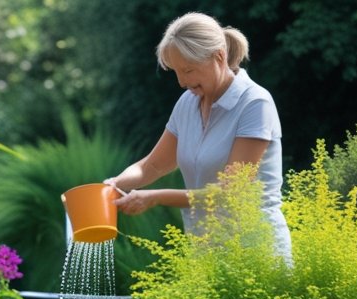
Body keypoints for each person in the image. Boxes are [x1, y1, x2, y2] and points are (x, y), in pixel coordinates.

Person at [106, 12, 291, 261]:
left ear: (219, 56)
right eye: (176, 72)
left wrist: (156, 197)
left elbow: (230, 192)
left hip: (256, 251)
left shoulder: (255, 103)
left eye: (189, 70)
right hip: (206, 251)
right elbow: (153, 165)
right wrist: (114, 185)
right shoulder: (187, 103)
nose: (182, 81)